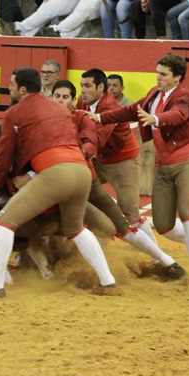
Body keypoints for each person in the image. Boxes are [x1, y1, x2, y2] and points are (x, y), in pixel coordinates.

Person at [0, 66, 117, 298]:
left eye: (11, 84)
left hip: (55, 173)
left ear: (22, 89)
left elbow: (4, 157)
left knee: (2, 223)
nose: (9, 88)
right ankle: (108, 281)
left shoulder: (14, 113)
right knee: (76, 229)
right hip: (81, 171)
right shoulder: (60, 109)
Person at [88, 54, 189, 294]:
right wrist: (101, 117)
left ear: (177, 77)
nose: (158, 77)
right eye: (157, 73)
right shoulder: (154, 95)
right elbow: (130, 111)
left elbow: (177, 115)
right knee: (164, 225)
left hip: (188, 161)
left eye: (163, 74)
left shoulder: (186, 97)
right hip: (163, 165)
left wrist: (155, 118)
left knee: (188, 213)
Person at [52, 79, 185, 280]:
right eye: (57, 96)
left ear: (73, 100)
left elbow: (93, 142)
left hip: (111, 166)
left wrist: (76, 153)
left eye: (65, 97)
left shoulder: (86, 116)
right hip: (86, 171)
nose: (61, 100)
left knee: (127, 216)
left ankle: (164, 262)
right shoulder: (60, 116)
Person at [76, 68, 157, 247]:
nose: (82, 90)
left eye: (87, 86)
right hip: (99, 160)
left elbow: (96, 140)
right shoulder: (82, 101)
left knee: (130, 211)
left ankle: (157, 254)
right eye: (81, 85)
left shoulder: (110, 107)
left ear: (100, 87)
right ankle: (98, 238)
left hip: (123, 160)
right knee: (76, 194)